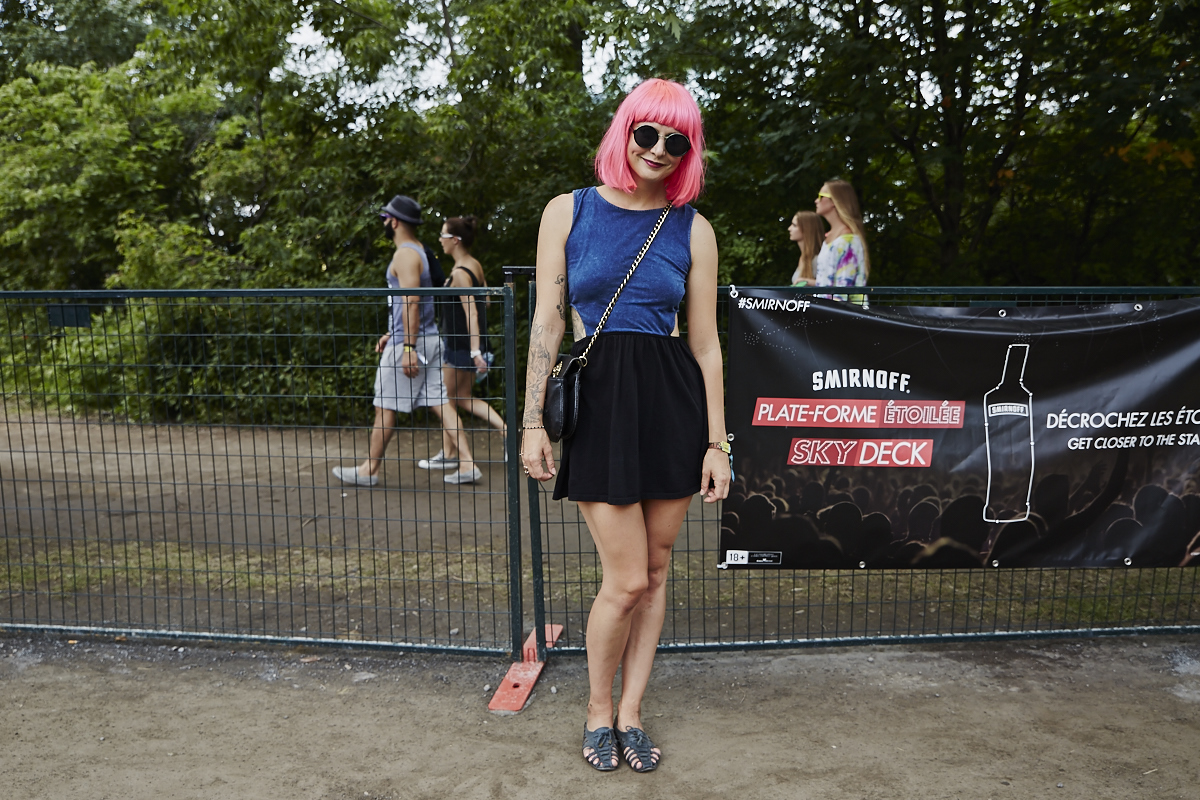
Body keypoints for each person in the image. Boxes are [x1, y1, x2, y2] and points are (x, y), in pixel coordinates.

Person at [520, 79, 732, 773]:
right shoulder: (568, 210)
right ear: (625, 132)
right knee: (627, 580)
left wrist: (717, 442)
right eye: (648, 133)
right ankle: (596, 711)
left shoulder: (693, 228)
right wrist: (531, 423)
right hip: (600, 402)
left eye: (678, 140)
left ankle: (632, 713)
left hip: (671, 405)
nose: (661, 150)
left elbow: (704, 343)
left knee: (659, 569)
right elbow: (548, 323)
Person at [332, 195, 482, 487]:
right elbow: (407, 304)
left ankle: (369, 470)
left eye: (385, 218)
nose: (384, 222)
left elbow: (412, 302)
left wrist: (407, 347)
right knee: (442, 402)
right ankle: (467, 463)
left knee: (385, 405)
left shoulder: (405, 255)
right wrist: (392, 333)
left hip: (412, 343)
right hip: (423, 339)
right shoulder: (418, 253)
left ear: (395, 221)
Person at [418, 216, 505, 472]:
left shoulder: (458, 273)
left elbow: (472, 313)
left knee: (446, 399)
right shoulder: (473, 265)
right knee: (459, 398)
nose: (440, 241)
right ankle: (450, 451)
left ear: (455, 240)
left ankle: (501, 433)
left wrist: (475, 351)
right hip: (468, 346)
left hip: (461, 347)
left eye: (443, 236)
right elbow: (486, 300)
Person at [813, 179, 870, 297]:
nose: (816, 201)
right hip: (825, 312)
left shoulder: (848, 241)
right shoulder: (830, 239)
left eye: (820, 196)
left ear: (834, 201)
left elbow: (842, 291)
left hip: (837, 314)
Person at [787, 210, 823, 286]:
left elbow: (830, 285)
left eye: (794, 225)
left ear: (806, 229)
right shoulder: (802, 258)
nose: (789, 229)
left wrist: (808, 281)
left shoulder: (818, 259)